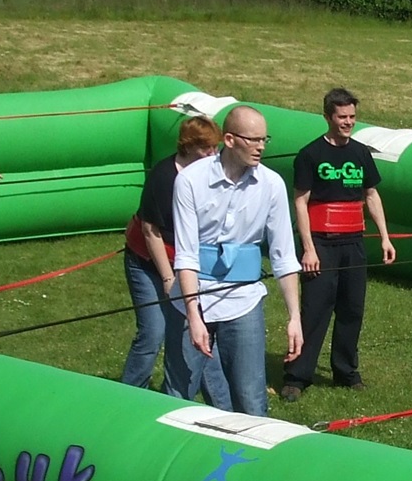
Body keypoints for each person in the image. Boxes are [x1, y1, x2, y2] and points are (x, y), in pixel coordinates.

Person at [172, 105, 304, 416]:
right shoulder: (190, 181)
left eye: (264, 139)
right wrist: (193, 316)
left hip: (243, 299)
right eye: (253, 139)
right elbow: (187, 254)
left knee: (250, 397)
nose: (261, 146)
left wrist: (294, 317)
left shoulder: (271, 185)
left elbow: (283, 256)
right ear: (229, 140)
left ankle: (257, 461)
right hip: (192, 298)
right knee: (179, 393)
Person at [281, 88, 397, 402]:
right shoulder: (311, 154)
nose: (348, 122)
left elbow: (371, 196)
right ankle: (297, 375)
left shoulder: (360, 153)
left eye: (352, 117)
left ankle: (346, 371)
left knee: (352, 309)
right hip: (321, 242)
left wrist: (385, 237)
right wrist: (308, 248)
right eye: (342, 117)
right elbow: (300, 202)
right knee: (315, 310)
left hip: (353, 242)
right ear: (328, 117)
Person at [122, 114, 221, 394]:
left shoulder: (209, 174)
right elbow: (150, 231)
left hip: (185, 264)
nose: (212, 154)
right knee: (153, 333)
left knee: (189, 332)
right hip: (147, 262)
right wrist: (167, 277)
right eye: (205, 148)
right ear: (188, 147)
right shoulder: (164, 177)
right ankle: (129, 393)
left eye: (215, 148)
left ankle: (177, 395)